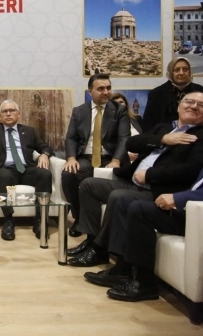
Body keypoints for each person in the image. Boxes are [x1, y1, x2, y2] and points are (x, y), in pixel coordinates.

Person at [67, 92, 203, 267]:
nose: (194, 106)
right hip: (131, 182)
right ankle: (91, 240)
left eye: (201, 105)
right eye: (189, 101)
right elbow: (132, 143)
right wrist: (163, 139)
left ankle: (100, 251)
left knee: (118, 196)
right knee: (88, 185)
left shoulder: (199, 136)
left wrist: (149, 175)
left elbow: (190, 170)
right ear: (179, 106)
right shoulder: (164, 128)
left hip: (156, 190)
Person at [83, 169, 203, 302]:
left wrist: (178, 198)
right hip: (189, 209)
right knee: (133, 206)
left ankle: (144, 283)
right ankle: (122, 270)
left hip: (196, 217)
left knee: (139, 210)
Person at [0, 99, 54, 240]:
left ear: (18, 114)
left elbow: (45, 147)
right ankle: (8, 220)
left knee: (45, 174)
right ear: (0, 115)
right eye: (4, 111)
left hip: (27, 169)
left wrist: (44, 154)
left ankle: (40, 220)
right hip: (5, 168)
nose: (8, 114)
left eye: (12, 110)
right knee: (5, 176)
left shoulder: (29, 131)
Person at [61, 73, 130, 238]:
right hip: (86, 158)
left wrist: (116, 160)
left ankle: (106, 225)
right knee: (69, 174)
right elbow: (71, 137)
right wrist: (71, 158)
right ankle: (78, 218)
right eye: (101, 89)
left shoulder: (119, 110)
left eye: (108, 88)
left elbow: (124, 138)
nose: (106, 92)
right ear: (90, 91)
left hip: (110, 158)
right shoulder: (79, 111)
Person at [142, 57, 203, 131]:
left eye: (185, 69)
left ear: (190, 72)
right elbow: (148, 124)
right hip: (164, 134)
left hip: (197, 134)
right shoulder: (157, 94)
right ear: (171, 72)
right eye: (177, 70)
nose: (181, 73)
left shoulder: (200, 91)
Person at [111, 92, 143, 162]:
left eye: (121, 102)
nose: (119, 105)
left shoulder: (137, 119)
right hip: (120, 160)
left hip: (140, 158)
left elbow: (145, 139)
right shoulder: (108, 124)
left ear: (126, 104)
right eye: (115, 103)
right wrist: (126, 156)